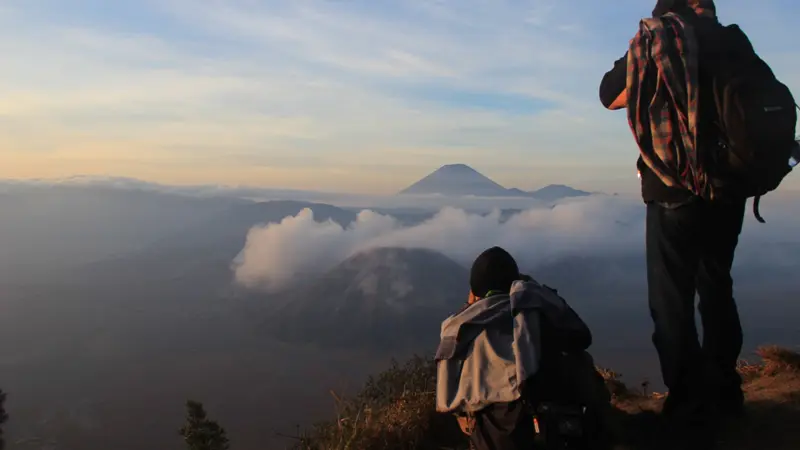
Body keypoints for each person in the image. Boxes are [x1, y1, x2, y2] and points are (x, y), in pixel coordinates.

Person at [598, 0, 747, 443]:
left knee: (671, 304)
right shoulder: (733, 40)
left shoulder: (659, 37)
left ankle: (688, 407)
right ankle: (726, 393)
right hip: (730, 190)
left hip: (674, 192)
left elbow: (609, 93)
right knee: (717, 287)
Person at [435, 247, 612, 450]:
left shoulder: (462, 327)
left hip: (498, 435)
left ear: (474, 293)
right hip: (558, 426)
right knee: (581, 360)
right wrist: (532, 289)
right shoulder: (537, 310)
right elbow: (582, 337)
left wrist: (468, 306)